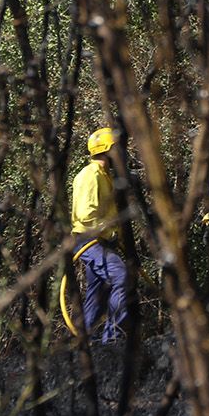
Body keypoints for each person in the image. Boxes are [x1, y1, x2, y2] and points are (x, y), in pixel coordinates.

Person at [71, 126, 129, 343]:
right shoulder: (91, 175)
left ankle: (82, 341)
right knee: (120, 276)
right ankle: (112, 338)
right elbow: (86, 216)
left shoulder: (105, 176)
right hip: (90, 241)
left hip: (101, 242)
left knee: (99, 291)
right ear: (108, 150)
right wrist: (109, 231)